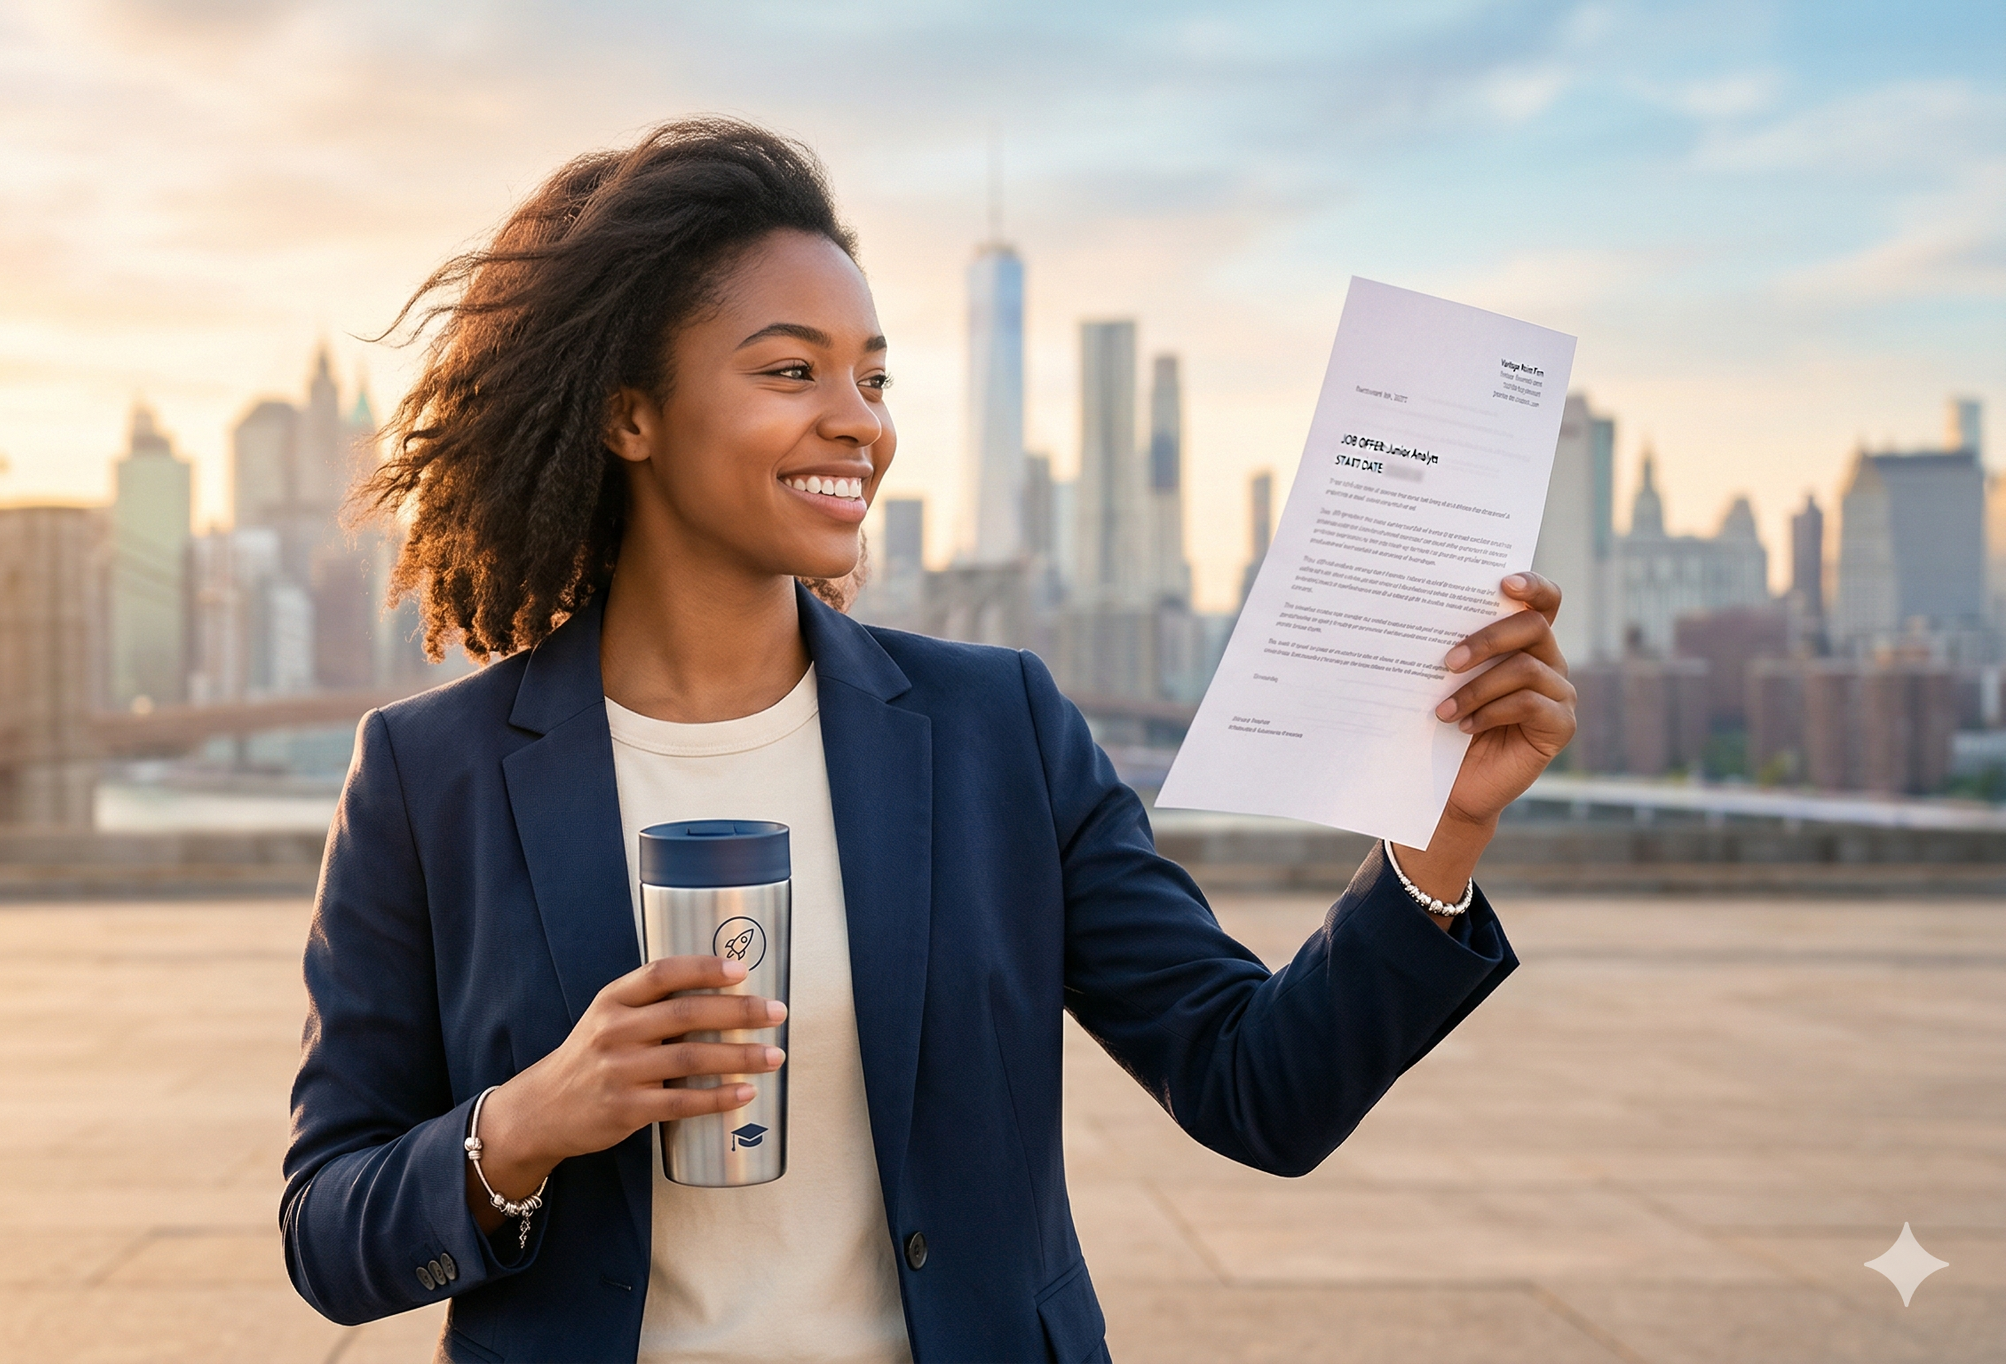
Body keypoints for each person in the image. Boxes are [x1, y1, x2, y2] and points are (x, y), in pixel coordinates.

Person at [281, 118, 1571, 1364]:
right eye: (791, 371)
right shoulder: (428, 776)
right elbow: (328, 1234)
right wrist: (523, 1126)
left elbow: (1259, 1091)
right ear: (630, 416)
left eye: (874, 377)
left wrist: (1442, 833)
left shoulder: (995, 729)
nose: (860, 421)